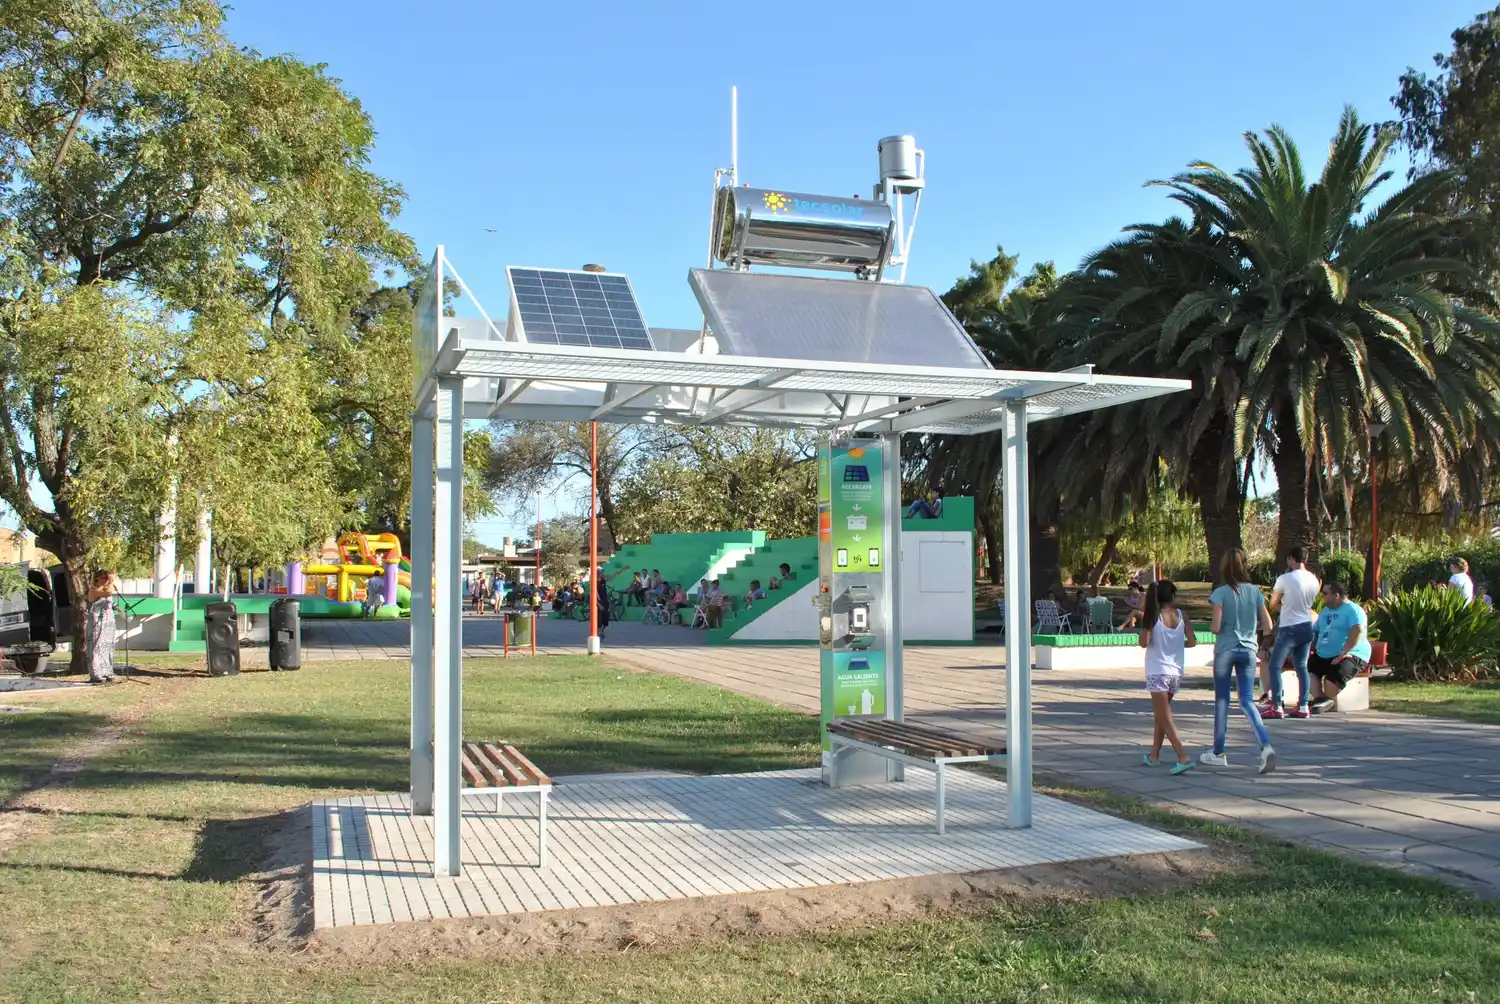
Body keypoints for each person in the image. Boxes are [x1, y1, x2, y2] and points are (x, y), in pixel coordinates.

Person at [1202, 548, 1277, 774]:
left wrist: (1222, 627)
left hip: (1225, 649)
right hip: (1248, 650)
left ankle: (1218, 752)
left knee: (1222, 700)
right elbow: (1268, 625)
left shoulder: (1221, 593)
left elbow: (1215, 627)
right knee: (1247, 701)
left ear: (1224, 568)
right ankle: (1265, 746)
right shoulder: (1254, 592)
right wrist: (1251, 630)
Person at [1139, 579, 1196, 773]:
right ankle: (1154, 755)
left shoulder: (1154, 618)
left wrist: (1145, 625)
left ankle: (1182, 756)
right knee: (1160, 716)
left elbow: (1143, 643)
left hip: (1157, 671)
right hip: (1175, 671)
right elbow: (1193, 641)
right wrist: (1177, 645)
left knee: (1165, 716)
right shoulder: (1182, 615)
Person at [1261, 547, 1320, 719]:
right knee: (1301, 666)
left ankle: (1277, 705)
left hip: (1289, 627)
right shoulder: (1314, 580)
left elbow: (1273, 603)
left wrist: (1283, 607)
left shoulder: (1284, 578)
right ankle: (1303, 706)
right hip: (1306, 626)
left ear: (1291, 559)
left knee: (1275, 665)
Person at [1308, 581, 1370, 713]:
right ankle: (1321, 700)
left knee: (1334, 678)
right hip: (1323, 654)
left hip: (1351, 654)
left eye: (1325, 593)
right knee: (1307, 670)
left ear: (1336, 595)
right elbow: (1316, 631)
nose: (1322, 596)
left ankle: (1325, 700)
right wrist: (1309, 649)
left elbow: (1357, 630)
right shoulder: (1325, 611)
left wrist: (1344, 652)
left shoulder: (1353, 610)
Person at [85, 570, 121, 685]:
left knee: (108, 647)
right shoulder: (93, 590)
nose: (106, 580)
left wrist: (120, 610)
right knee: (97, 647)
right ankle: (96, 673)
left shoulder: (106, 590)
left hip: (108, 622)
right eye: (103, 578)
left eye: (107, 578)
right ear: (96, 578)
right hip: (97, 622)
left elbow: (111, 603)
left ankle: (107, 672)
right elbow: (109, 593)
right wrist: (111, 581)